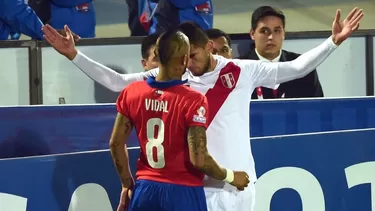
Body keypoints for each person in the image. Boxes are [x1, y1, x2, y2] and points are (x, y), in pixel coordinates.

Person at [42, 7, 363, 211]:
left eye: (192, 56)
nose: (187, 64)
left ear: (209, 48)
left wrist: (333, 41)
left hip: (241, 184)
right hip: (199, 187)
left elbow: (295, 69)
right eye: (183, 58)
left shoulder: (241, 70)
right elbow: (116, 82)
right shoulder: (174, 73)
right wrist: (74, 55)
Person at [109, 29, 250, 211]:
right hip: (183, 193)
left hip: (145, 191)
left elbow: (115, 143)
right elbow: (199, 160)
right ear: (184, 60)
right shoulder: (193, 100)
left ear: (157, 55)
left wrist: (127, 183)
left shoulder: (132, 92)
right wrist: (232, 177)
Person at [242, 6, 324, 99]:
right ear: (252, 34)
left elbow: (318, 109)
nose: (271, 37)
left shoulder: (303, 66)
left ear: (283, 34)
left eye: (277, 31)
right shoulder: (239, 68)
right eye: (264, 31)